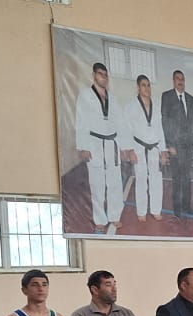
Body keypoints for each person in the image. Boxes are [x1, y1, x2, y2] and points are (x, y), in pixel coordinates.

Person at [73, 61, 126, 235]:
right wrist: (83, 146)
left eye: (105, 75)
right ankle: (100, 220)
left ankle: (114, 215)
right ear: (94, 75)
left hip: (112, 143)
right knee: (97, 183)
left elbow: (120, 123)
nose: (104, 77)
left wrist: (124, 146)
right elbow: (81, 122)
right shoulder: (85, 96)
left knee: (115, 182)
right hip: (94, 142)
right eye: (100, 74)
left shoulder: (113, 99)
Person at [125, 74, 165, 221]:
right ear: (138, 87)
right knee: (141, 179)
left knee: (156, 179)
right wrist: (130, 150)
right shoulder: (131, 106)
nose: (147, 88)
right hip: (139, 147)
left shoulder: (157, 106)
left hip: (154, 147)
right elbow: (127, 129)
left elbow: (160, 129)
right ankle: (141, 212)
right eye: (143, 85)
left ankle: (156, 210)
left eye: (148, 85)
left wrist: (163, 150)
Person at [161, 70, 193, 218]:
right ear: (173, 81)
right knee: (177, 178)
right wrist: (169, 145)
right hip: (175, 147)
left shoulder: (191, 99)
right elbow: (165, 121)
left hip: (188, 147)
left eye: (182, 79)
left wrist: (192, 141)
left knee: (187, 178)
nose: (180, 81)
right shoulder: (167, 97)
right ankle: (177, 208)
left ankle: (187, 206)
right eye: (177, 79)